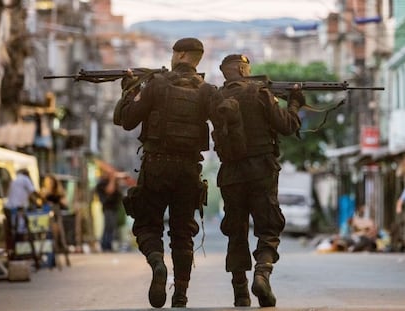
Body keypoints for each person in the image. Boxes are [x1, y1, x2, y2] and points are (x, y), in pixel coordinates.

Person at [113, 37, 220, 308]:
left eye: (174, 53)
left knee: (147, 224)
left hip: (157, 165)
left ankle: (158, 263)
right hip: (188, 170)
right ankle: (180, 293)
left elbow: (126, 121)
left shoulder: (157, 86)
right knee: (183, 233)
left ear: (181, 54)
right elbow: (224, 124)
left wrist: (129, 90)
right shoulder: (207, 90)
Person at [211, 54, 305, 307]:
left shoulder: (216, 98)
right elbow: (287, 126)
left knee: (236, 231)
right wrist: (294, 103)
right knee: (268, 226)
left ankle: (240, 291)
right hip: (261, 170)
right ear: (243, 69)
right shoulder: (260, 92)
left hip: (230, 174)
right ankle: (262, 273)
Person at [40, 174, 71, 267]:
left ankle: (63, 258)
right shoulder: (43, 191)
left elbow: (65, 204)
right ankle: (51, 260)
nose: (49, 184)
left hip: (57, 217)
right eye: (47, 182)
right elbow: (40, 203)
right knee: (49, 237)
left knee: (59, 238)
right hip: (46, 217)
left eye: (50, 182)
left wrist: (58, 200)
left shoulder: (58, 193)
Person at [95, 171, 122, 252]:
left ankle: (108, 245)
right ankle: (105, 245)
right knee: (108, 226)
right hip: (107, 207)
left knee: (112, 227)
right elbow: (109, 190)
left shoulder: (112, 182)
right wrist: (113, 180)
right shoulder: (102, 184)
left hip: (114, 207)